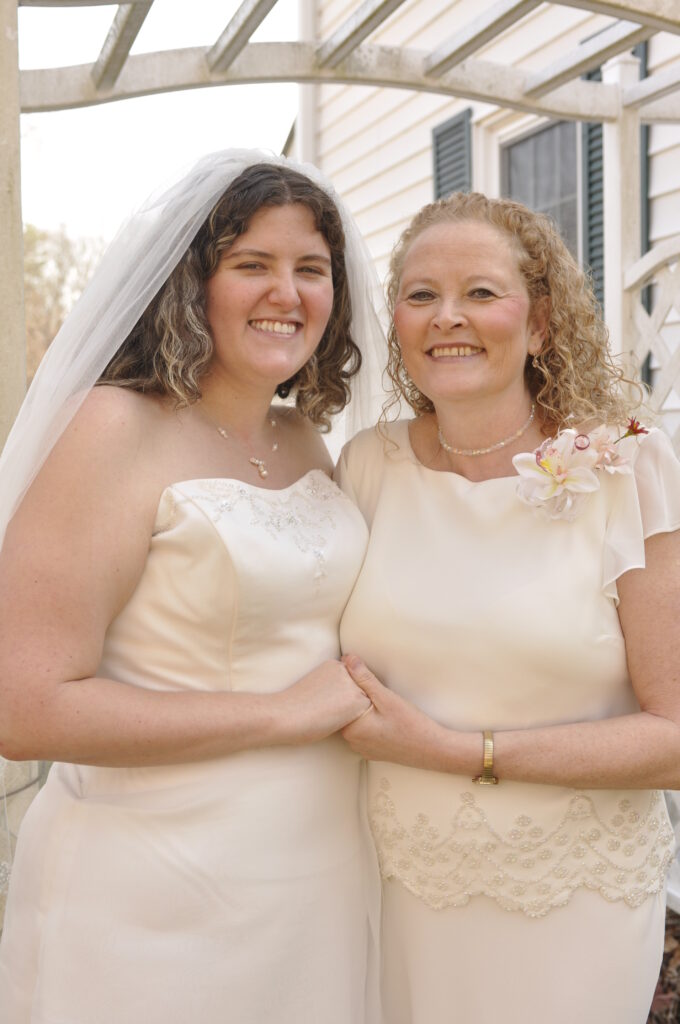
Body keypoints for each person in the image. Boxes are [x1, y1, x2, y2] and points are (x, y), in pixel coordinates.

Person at [0, 150, 385, 1024]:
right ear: (189, 285)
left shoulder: (302, 441)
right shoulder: (109, 428)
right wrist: (280, 714)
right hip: (153, 890)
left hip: (313, 877)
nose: (286, 292)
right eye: (251, 264)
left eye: (310, 270)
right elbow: (21, 708)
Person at [335, 190, 680, 1024]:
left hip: (571, 901)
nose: (448, 316)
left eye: (481, 292)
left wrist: (458, 751)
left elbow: (675, 739)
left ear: (542, 322)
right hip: (394, 888)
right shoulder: (365, 466)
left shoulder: (630, 464)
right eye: (421, 295)